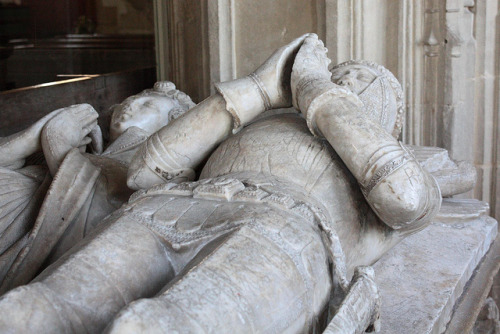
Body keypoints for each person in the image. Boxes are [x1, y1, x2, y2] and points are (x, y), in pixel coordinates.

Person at [0, 34, 446, 333]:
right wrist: (260, 89)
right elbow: (143, 171)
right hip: (167, 205)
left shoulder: (393, 168)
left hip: (280, 227)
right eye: (341, 73)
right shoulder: (262, 120)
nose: (346, 78)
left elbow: (402, 197)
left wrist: (315, 87)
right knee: (32, 310)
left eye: (366, 81)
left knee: (165, 324)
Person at [0, 81, 194, 293]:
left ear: (172, 125)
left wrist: (57, 141)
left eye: (147, 105)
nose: (130, 105)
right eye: (129, 100)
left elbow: (107, 219)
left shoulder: (153, 169)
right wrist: (29, 139)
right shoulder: (87, 151)